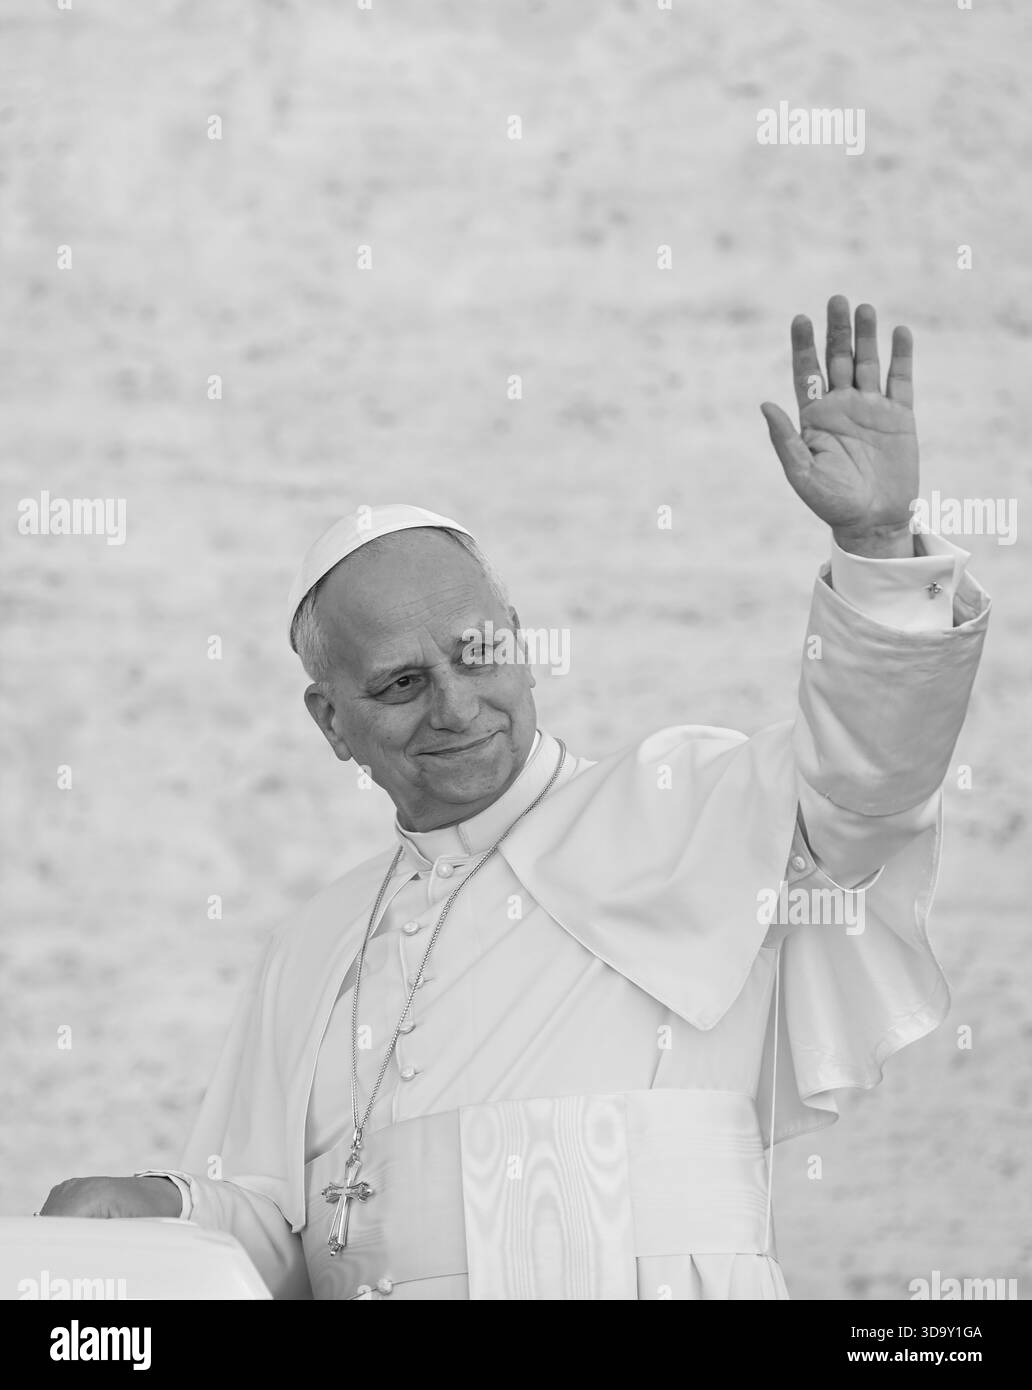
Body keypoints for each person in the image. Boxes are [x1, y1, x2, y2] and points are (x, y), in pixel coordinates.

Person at [42, 298, 990, 1300]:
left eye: (477, 654)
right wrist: (161, 1211)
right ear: (331, 723)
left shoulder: (686, 808)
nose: (456, 706)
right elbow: (285, 1233)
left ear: (522, 641)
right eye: (402, 685)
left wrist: (881, 550)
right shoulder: (310, 949)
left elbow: (873, 786)